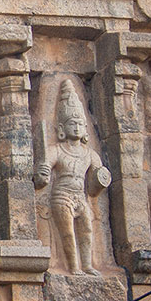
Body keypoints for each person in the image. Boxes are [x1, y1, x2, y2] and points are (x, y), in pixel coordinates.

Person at [34, 80, 110, 276]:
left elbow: (94, 186)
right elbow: (42, 176)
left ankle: (87, 265)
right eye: (71, 124)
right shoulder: (56, 150)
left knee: (87, 230)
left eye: (79, 124)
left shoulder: (91, 154)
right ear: (61, 127)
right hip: (62, 195)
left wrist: (101, 179)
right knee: (67, 233)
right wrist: (42, 174)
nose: (76, 128)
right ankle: (74, 267)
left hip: (80, 196)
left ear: (85, 128)